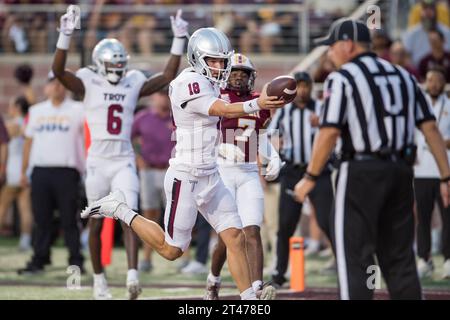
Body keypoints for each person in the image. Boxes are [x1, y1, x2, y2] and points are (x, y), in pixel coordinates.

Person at [81, 27, 285, 300]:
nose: (219, 67)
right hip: (186, 176)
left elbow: (233, 112)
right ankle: (119, 208)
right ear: (197, 58)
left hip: (211, 174)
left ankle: (249, 298)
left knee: (234, 237)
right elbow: (221, 109)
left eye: (222, 61)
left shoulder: (212, 81)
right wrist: (257, 103)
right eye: (213, 61)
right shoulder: (187, 82)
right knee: (172, 250)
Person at [294, 19, 450, 300]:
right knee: (401, 261)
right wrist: (446, 177)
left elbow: (329, 132)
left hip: (359, 173)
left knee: (354, 259)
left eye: (331, 47)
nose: (329, 53)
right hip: (401, 172)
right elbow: (430, 129)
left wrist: (310, 177)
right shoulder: (404, 76)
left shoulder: (343, 78)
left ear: (347, 45)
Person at [51, 6, 189, 299]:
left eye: (120, 65)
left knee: (129, 215)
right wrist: (64, 35)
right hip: (98, 162)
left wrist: (179, 40)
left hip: (123, 159)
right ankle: (99, 280)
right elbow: (60, 72)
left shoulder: (133, 80)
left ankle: (131, 275)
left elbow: (166, 75)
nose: (117, 71)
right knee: (96, 220)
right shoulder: (88, 79)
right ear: (100, 64)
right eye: (112, 65)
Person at [204, 53, 281, 300]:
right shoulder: (216, 98)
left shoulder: (259, 102)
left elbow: (258, 136)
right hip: (222, 172)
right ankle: (213, 279)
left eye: (243, 74)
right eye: (235, 73)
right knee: (228, 238)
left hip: (248, 172)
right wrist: (219, 147)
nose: (238, 78)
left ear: (251, 77)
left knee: (252, 230)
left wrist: (274, 155)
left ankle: (257, 287)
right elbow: (201, 132)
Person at [17, 72, 85, 275]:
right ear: (46, 87)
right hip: (41, 171)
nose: (57, 86)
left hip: (67, 171)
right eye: (52, 83)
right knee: (42, 219)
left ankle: (76, 261)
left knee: (69, 219)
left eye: (61, 83)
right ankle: (39, 259)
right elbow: (28, 142)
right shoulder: (36, 111)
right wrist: (24, 171)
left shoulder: (78, 110)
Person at [266, 71, 326, 288]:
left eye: (305, 86)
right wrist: (275, 152)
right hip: (292, 171)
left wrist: (321, 125)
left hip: (319, 171)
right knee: (285, 226)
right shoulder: (285, 111)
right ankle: (279, 273)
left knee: (329, 222)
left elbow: (335, 133)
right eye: (298, 86)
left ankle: (343, 266)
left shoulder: (321, 109)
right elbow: (271, 136)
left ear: (311, 87)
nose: (302, 90)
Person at [131, 88, 175, 273]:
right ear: (153, 96)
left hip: (171, 170)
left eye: (165, 94)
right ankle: (147, 258)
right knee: (149, 214)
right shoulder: (142, 117)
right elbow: (129, 138)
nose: (163, 98)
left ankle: (184, 257)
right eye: (160, 94)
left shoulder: (176, 117)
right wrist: (138, 159)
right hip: (149, 170)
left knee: (175, 215)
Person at [414, 67, 450, 279]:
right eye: (430, 80)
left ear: (444, 83)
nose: (434, 84)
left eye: (438, 81)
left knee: (448, 217)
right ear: (425, 82)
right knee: (423, 217)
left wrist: (441, 142)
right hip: (421, 170)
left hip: (445, 171)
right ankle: (424, 258)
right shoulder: (418, 105)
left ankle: (447, 259)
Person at [0, 96, 32, 251]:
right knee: (25, 208)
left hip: (13, 170)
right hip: (25, 171)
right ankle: (25, 241)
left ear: (18, 107)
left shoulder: (12, 125)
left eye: (12, 105)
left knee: (2, 207)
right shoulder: (28, 124)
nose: (9, 108)